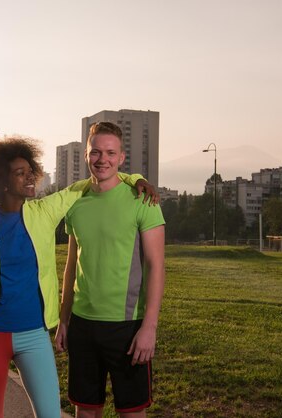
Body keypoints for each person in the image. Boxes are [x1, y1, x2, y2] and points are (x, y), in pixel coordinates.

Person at [0, 138, 158, 418]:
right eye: (20, 173)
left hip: (34, 336)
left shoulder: (44, 211)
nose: (30, 176)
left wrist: (136, 178)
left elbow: (91, 181)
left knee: (50, 414)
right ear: (1, 181)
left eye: (30, 170)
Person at [55, 122, 166, 418]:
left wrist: (149, 327)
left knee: (131, 412)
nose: (102, 159)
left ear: (121, 157)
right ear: (86, 155)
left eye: (110, 153)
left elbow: (156, 266)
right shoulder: (75, 202)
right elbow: (70, 265)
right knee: (86, 410)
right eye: (96, 152)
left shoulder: (143, 200)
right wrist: (64, 319)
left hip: (127, 326)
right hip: (82, 324)